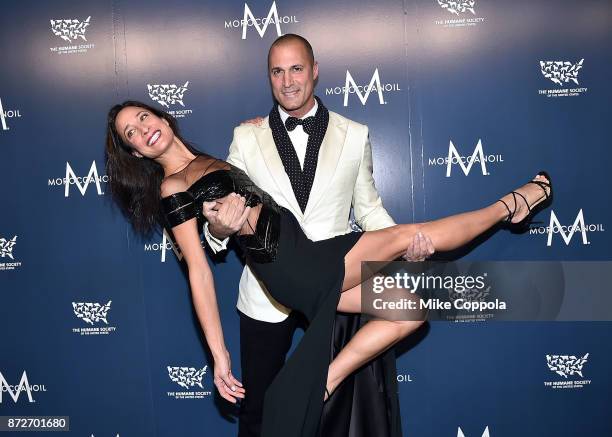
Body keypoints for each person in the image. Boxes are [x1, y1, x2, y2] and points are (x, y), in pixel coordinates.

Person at [105, 101, 552, 437]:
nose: (143, 130)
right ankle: (511, 205)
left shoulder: (214, 155)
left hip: (305, 255)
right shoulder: (173, 186)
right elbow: (199, 270)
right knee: (405, 235)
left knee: (410, 311)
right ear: (134, 152)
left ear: (161, 116)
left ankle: (324, 381)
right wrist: (218, 355)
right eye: (131, 133)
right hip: (291, 264)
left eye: (143, 118)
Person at [200, 33, 433, 437]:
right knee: (257, 408)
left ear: (315, 71)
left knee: (343, 402)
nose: (287, 81)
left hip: (334, 281)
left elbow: (369, 208)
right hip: (266, 290)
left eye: (296, 68)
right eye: (277, 71)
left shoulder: (354, 134)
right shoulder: (246, 137)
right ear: (268, 78)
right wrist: (217, 230)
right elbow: (224, 209)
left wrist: (402, 243)